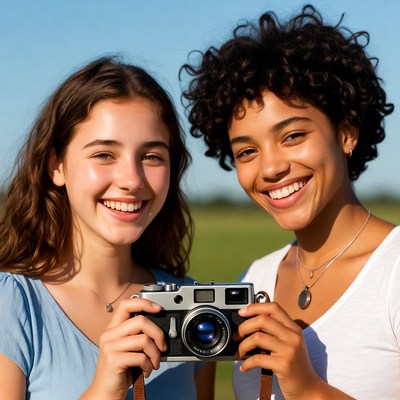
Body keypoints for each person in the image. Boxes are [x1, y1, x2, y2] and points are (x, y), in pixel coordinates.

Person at [181, 4, 399, 399]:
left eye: (293, 135)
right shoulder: (256, 279)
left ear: (347, 133)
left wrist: (306, 387)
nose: (271, 167)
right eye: (247, 152)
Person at [0, 56, 215, 400]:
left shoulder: (191, 308)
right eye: (104, 154)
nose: (131, 179)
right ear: (56, 165)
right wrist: (103, 390)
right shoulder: (11, 306)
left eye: (152, 156)